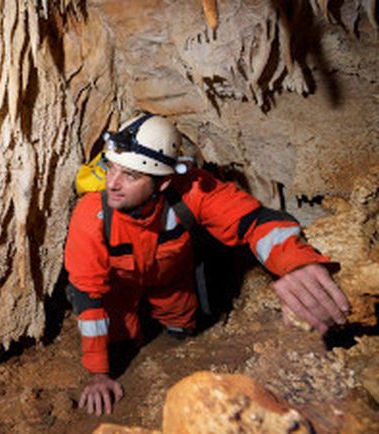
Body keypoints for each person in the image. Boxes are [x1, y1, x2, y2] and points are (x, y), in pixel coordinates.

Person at [63, 113, 351, 416]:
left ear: (163, 184)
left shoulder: (192, 191)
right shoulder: (91, 215)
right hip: (118, 290)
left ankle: (174, 335)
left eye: (131, 175)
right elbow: (88, 294)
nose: (113, 184)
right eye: (112, 168)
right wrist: (98, 374)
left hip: (171, 282)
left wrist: (296, 263)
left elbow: (254, 221)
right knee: (121, 339)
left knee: (181, 331)